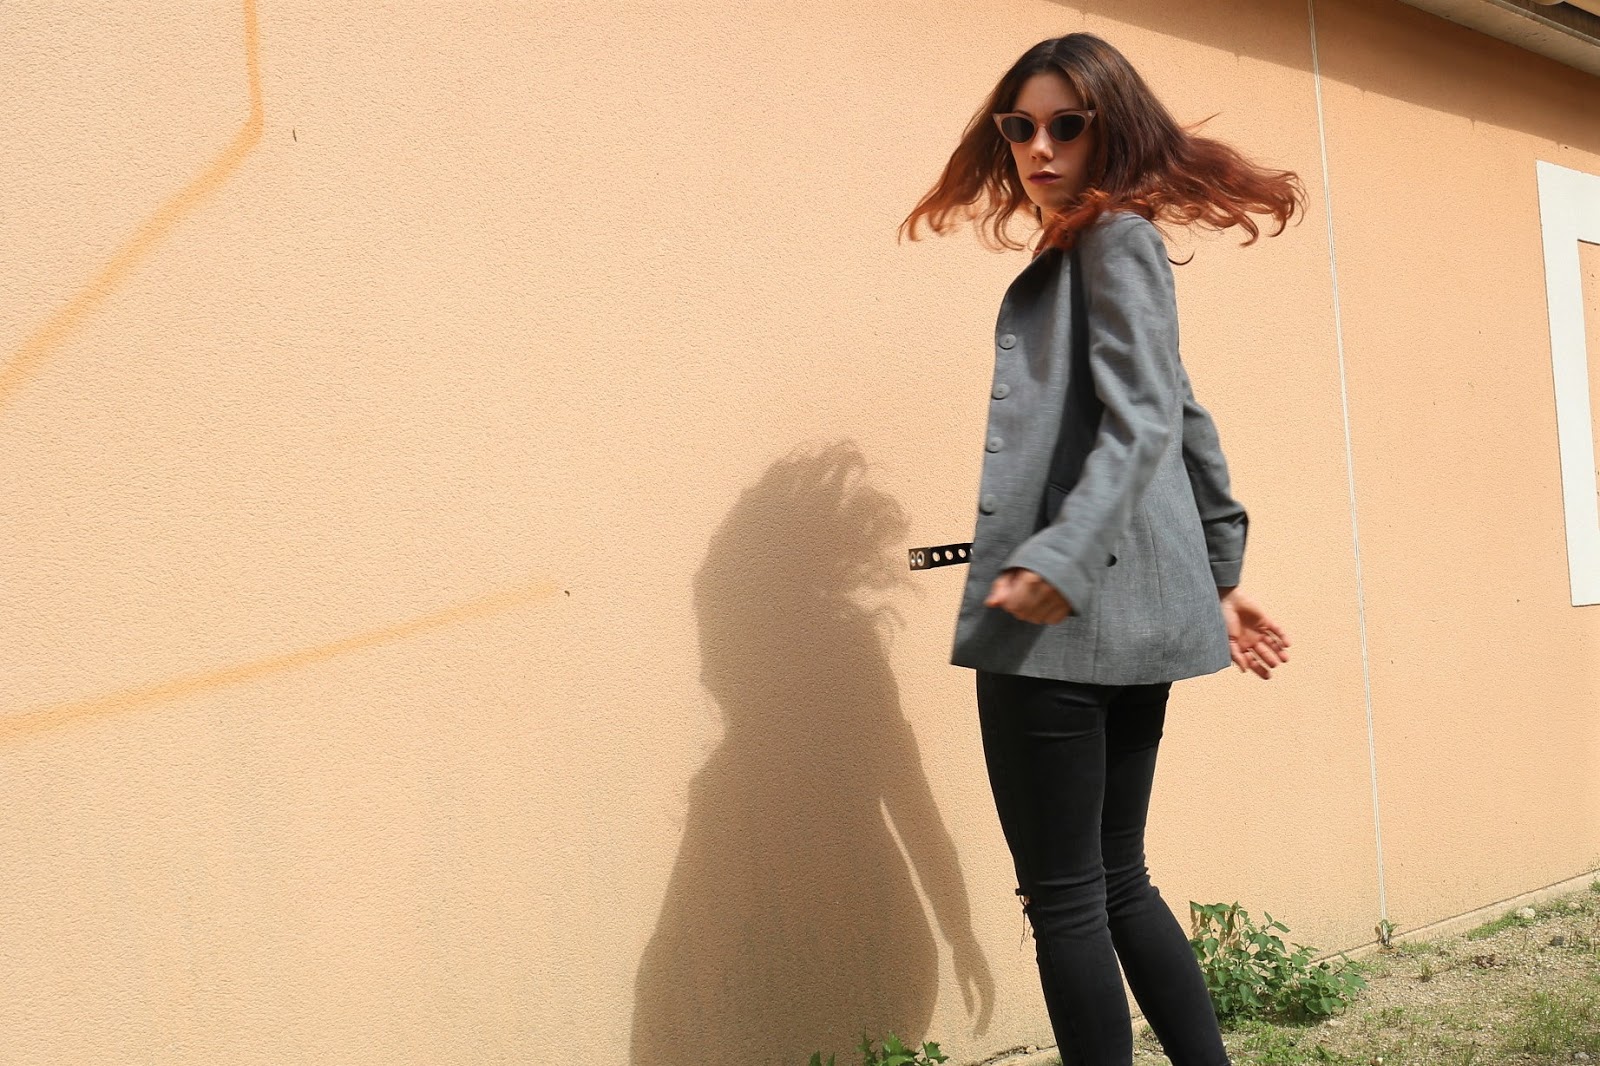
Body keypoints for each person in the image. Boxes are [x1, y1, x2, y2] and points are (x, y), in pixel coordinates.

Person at [900, 33, 1302, 1066]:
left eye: (1066, 125)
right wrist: (1222, 575)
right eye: (1020, 126)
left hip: (1058, 618)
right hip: (1131, 617)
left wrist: (1062, 560)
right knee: (1117, 880)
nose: (1040, 147)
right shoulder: (1103, 243)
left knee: (1068, 898)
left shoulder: (1110, 241)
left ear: (1107, 130)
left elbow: (1145, 422)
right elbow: (1183, 411)